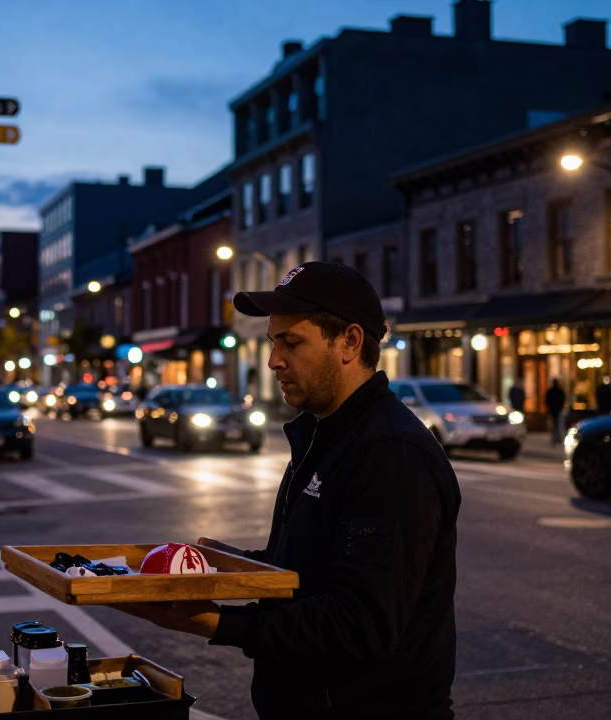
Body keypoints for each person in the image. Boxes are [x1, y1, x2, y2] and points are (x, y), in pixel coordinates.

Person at [113, 262, 461, 718]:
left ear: (350, 343)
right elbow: (307, 572)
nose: (275, 360)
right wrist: (222, 564)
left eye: (291, 343)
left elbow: (361, 625)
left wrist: (219, 622)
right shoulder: (328, 434)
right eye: (273, 343)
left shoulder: (390, 453)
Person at [545, 378, 567, 445]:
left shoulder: (551, 391)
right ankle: (556, 437)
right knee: (557, 424)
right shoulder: (559, 391)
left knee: (554, 424)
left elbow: (547, 400)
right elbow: (563, 399)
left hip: (553, 410)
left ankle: (554, 437)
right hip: (557, 410)